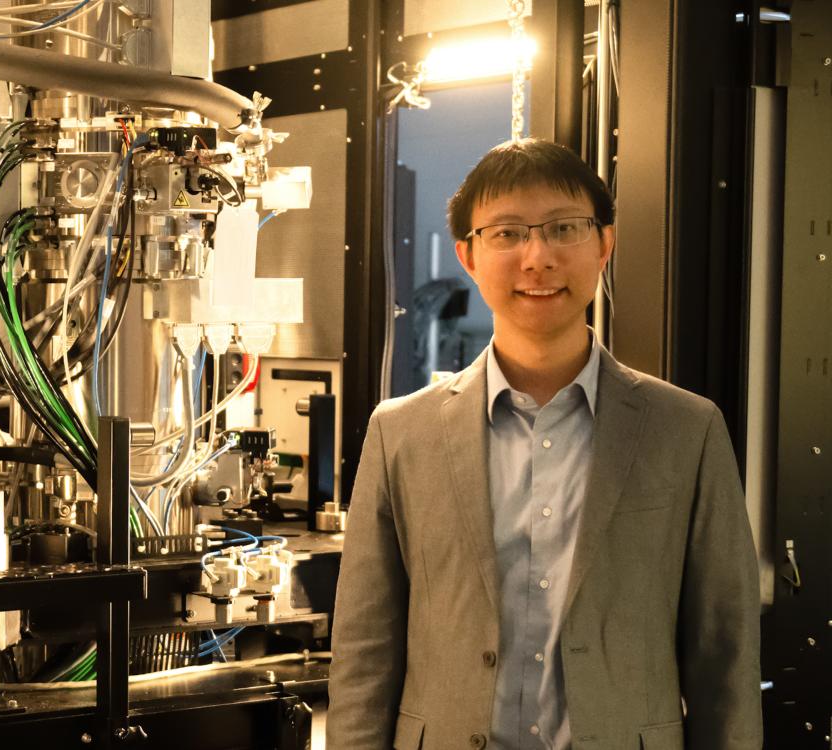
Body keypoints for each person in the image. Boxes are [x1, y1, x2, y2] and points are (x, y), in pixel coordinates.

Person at [326, 138, 762, 750]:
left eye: (564, 229)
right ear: (468, 256)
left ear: (604, 245)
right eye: (506, 234)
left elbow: (725, 654)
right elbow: (364, 650)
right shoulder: (400, 432)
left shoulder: (686, 429)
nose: (537, 258)